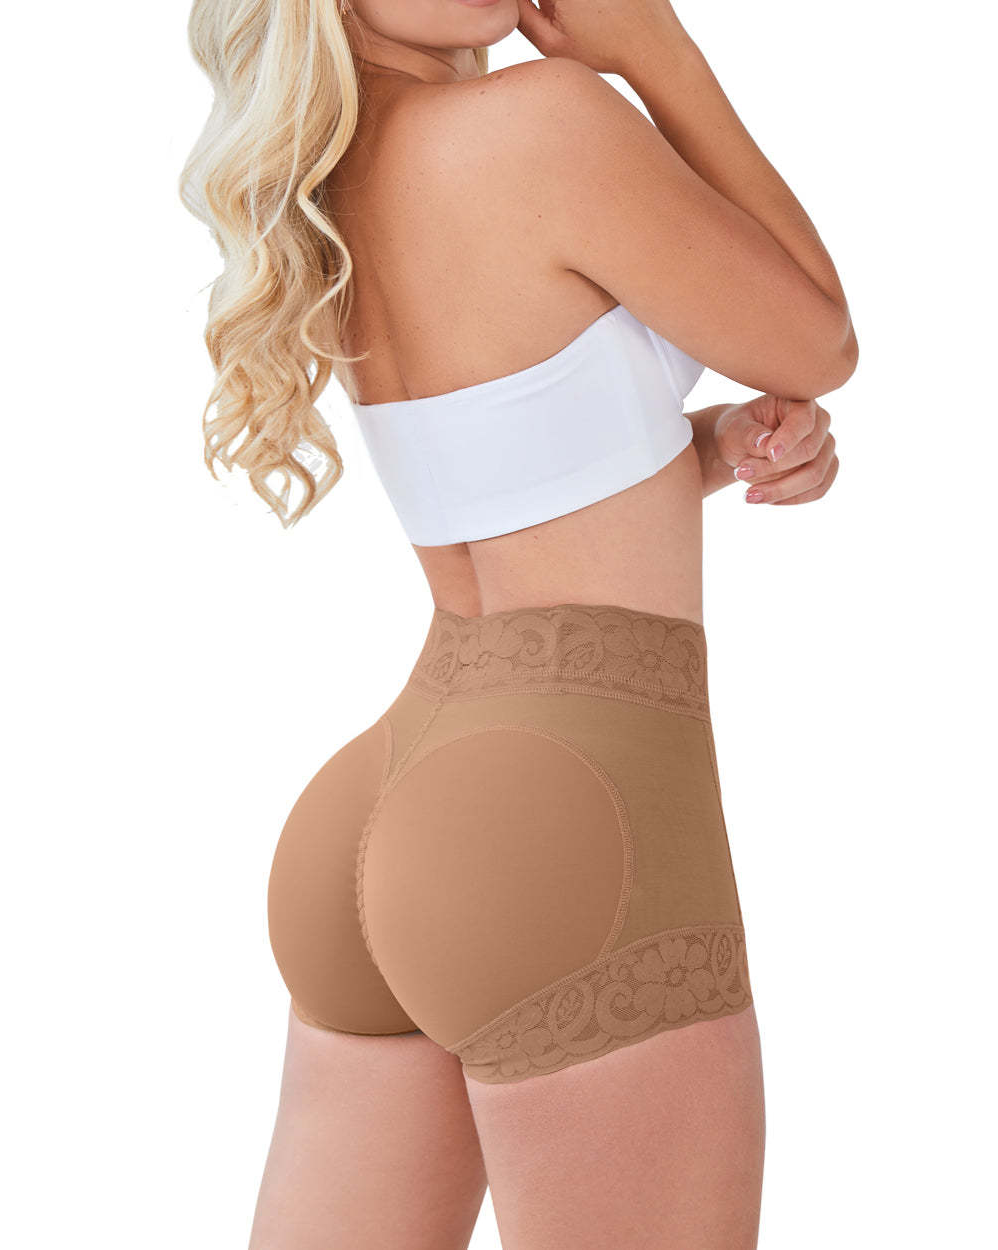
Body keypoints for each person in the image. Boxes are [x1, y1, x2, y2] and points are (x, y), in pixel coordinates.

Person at [181, 2, 857, 1246]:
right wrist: (654, 49)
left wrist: (704, 449)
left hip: (387, 795)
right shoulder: (541, 119)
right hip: (569, 809)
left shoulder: (322, 173)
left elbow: (495, 472)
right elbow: (814, 338)